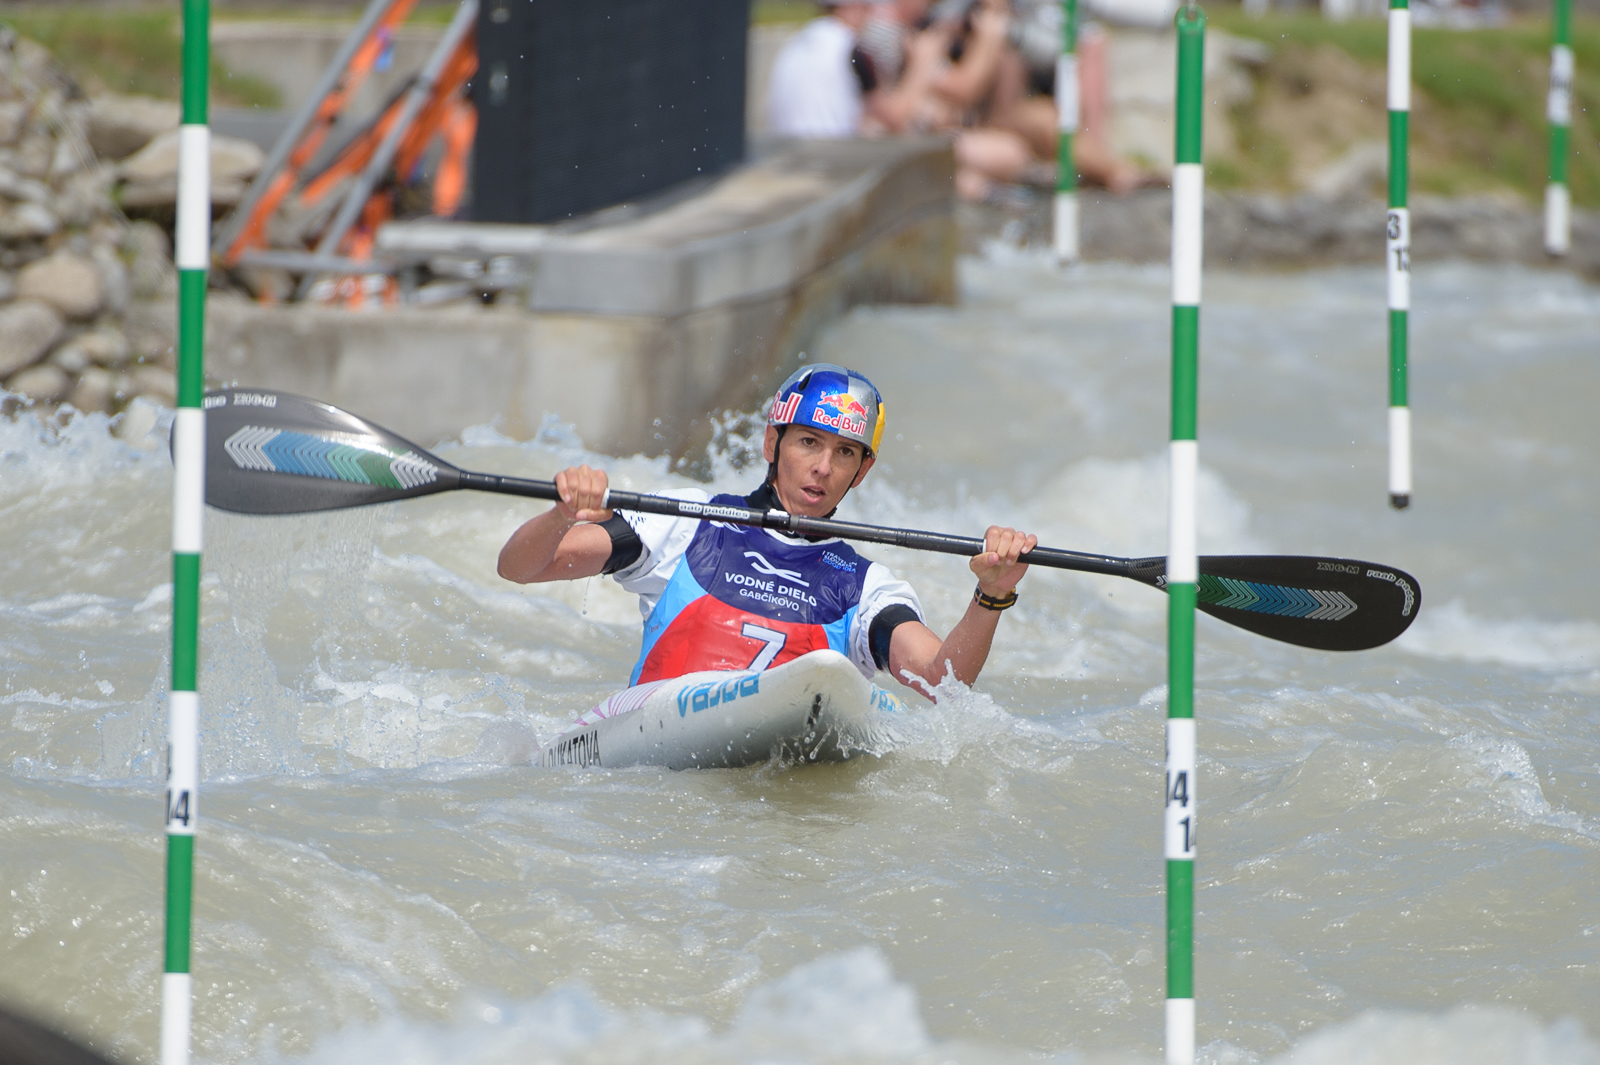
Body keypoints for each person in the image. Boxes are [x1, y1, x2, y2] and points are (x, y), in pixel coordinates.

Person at [497, 364, 1037, 697]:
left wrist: (991, 596)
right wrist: (561, 514)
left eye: (844, 452)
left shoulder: (864, 585)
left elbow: (943, 683)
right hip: (657, 767)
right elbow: (520, 568)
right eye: (808, 443)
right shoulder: (688, 522)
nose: (823, 467)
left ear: (861, 472)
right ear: (771, 444)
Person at [764, 0, 885, 138]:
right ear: (851, 7)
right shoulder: (852, 48)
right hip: (829, 151)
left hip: (785, 146)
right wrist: (915, 65)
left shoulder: (797, 41)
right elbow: (893, 118)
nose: (869, 18)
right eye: (866, 8)